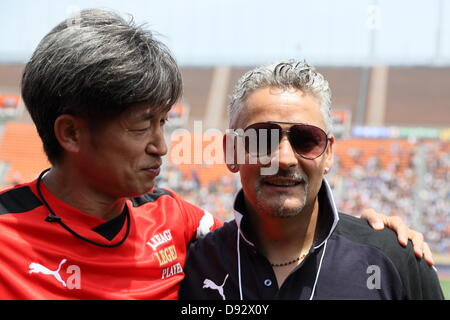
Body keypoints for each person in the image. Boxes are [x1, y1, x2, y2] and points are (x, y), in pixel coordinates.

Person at [0, 9, 433, 300]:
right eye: (140, 125)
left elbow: (268, 226)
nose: (161, 145)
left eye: (163, 123)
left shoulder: (176, 222)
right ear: (71, 133)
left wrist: (377, 234)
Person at [179, 60, 444, 300]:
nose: (284, 159)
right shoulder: (191, 265)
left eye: (306, 139)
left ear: (328, 154)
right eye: (262, 139)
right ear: (232, 151)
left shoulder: (396, 260)